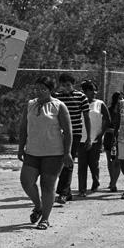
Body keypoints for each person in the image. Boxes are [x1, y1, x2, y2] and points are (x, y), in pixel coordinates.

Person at [17, 76, 72, 230]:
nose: (39, 91)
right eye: (37, 88)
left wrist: (67, 153)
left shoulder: (59, 106)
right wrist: (21, 148)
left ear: (50, 90)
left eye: (43, 89)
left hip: (53, 153)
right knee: (26, 181)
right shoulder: (30, 105)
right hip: (32, 151)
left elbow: (68, 131)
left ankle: (45, 219)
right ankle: (38, 206)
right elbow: (23, 128)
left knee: (47, 186)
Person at [53, 73, 91, 204]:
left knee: (68, 161)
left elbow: (86, 117)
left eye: (68, 85)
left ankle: (62, 193)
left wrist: (89, 137)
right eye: (63, 85)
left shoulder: (81, 97)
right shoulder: (56, 97)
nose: (66, 88)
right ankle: (67, 192)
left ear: (73, 85)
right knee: (60, 161)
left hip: (75, 134)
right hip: (60, 134)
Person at [77, 80, 110, 196]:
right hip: (81, 139)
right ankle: (82, 189)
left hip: (95, 139)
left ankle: (95, 182)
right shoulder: (79, 103)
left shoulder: (99, 104)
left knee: (93, 163)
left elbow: (107, 119)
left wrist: (101, 134)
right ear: (84, 92)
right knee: (82, 165)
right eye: (91, 90)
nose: (94, 92)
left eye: (95, 89)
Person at [104, 91, 124, 192]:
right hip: (110, 138)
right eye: (119, 98)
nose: (121, 100)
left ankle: (113, 183)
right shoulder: (109, 110)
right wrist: (114, 130)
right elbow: (105, 126)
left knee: (117, 161)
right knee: (110, 161)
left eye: (122, 98)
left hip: (121, 139)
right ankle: (112, 181)